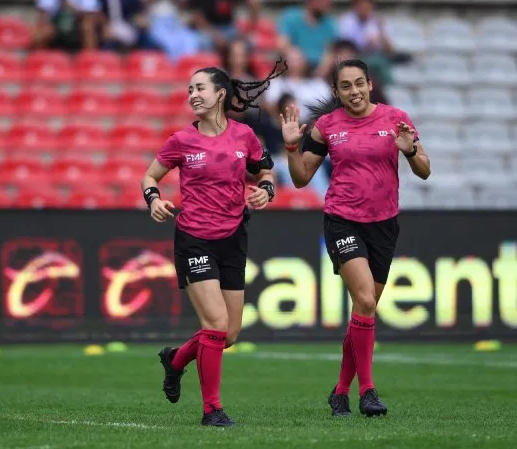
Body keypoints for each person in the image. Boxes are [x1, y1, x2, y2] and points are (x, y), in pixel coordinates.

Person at [279, 59, 430, 417]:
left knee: (364, 309)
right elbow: (301, 178)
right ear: (336, 92)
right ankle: (368, 392)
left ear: (369, 84)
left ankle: (340, 391)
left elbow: (424, 170)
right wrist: (290, 148)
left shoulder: (395, 118)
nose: (354, 91)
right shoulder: (326, 127)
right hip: (342, 220)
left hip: (384, 224)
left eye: (359, 83)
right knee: (364, 298)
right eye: (345, 86)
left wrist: (409, 150)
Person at [142, 59, 287, 427]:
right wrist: (154, 200)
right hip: (194, 239)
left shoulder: (244, 137)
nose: (193, 94)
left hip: (233, 237)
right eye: (190, 89)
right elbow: (150, 176)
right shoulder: (180, 140)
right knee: (216, 323)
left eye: (200, 88)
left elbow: (266, 171)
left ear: (220, 94)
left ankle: (175, 360)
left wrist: (265, 190)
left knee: (230, 333)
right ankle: (212, 411)